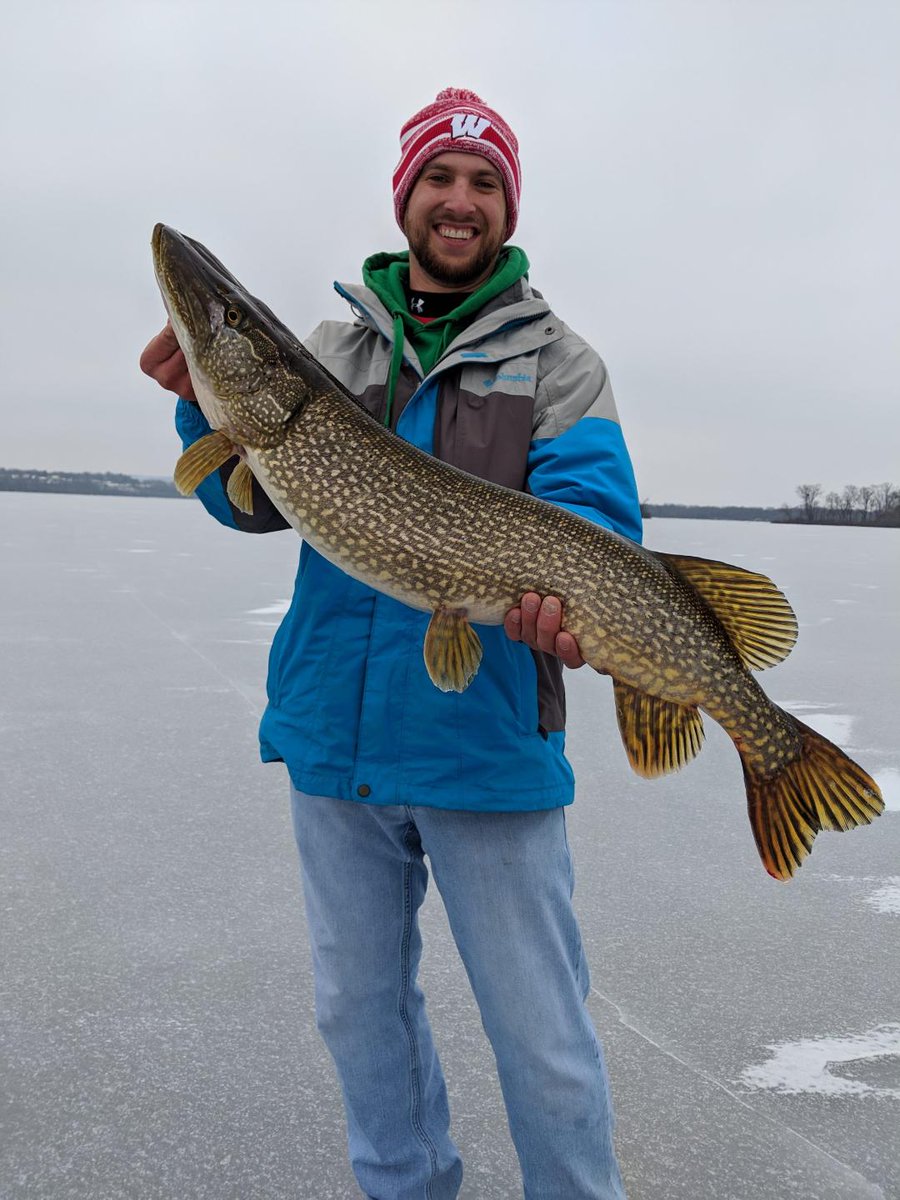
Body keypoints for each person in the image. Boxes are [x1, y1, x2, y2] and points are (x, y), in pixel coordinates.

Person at [141, 87, 640, 1200]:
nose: (459, 202)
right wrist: (199, 403)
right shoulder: (326, 350)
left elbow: (597, 524)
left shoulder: (559, 366)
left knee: (542, 1042)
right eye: (440, 180)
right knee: (361, 1018)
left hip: (483, 750)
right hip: (335, 740)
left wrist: (571, 597)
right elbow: (251, 504)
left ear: (507, 210)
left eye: (484, 184)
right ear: (405, 196)